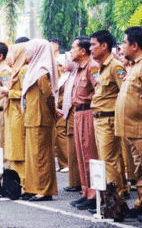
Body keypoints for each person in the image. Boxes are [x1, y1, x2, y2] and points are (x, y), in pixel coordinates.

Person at [115, 26, 142, 222]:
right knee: (140, 171)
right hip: (134, 129)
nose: (122, 47)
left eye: (124, 43)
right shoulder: (136, 65)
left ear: (135, 45)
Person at [90, 30, 128, 204]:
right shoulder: (102, 66)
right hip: (100, 119)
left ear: (104, 46)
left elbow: (125, 93)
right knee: (109, 161)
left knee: (109, 161)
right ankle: (114, 197)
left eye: (93, 44)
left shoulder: (115, 67)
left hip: (108, 119)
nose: (91, 48)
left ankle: (116, 201)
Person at [21, 39, 58, 201]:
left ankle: (44, 189)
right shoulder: (33, 69)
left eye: (29, 51)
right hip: (32, 117)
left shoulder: (41, 72)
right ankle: (32, 187)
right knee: (32, 156)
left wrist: (53, 111)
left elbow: (49, 96)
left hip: (41, 118)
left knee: (41, 156)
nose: (26, 55)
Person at [69, 36, 98, 211]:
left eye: (73, 48)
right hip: (78, 113)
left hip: (88, 111)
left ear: (82, 51)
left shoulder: (92, 66)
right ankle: (86, 191)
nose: (71, 51)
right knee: (81, 154)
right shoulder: (79, 68)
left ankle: (94, 194)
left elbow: (99, 90)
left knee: (89, 153)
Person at [0, 42, 27, 190]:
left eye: (12, 52)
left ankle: (23, 181)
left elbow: (25, 93)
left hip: (18, 113)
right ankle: (16, 182)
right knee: (12, 150)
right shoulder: (15, 70)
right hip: (11, 112)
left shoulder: (23, 70)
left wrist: (8, 92)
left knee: (18, 150)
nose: (9, 56)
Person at [58, 53, 81, 192]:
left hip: (77, 112)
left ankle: (82, 185)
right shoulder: (70, 75)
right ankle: (75, 182)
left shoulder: (82, 72)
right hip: (68, 112)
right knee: (72, 148)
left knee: (78, 149)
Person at [54, 54, 69, 173]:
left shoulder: (69, 76)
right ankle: (62, 162)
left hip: (64, 108)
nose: (60, 68)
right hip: (59, 108)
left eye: (61, 65)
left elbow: (65, 95)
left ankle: (66, 162)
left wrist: (57, 104)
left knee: (62, 133)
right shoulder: (62, 77)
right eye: (58, 65)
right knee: (59, 135)